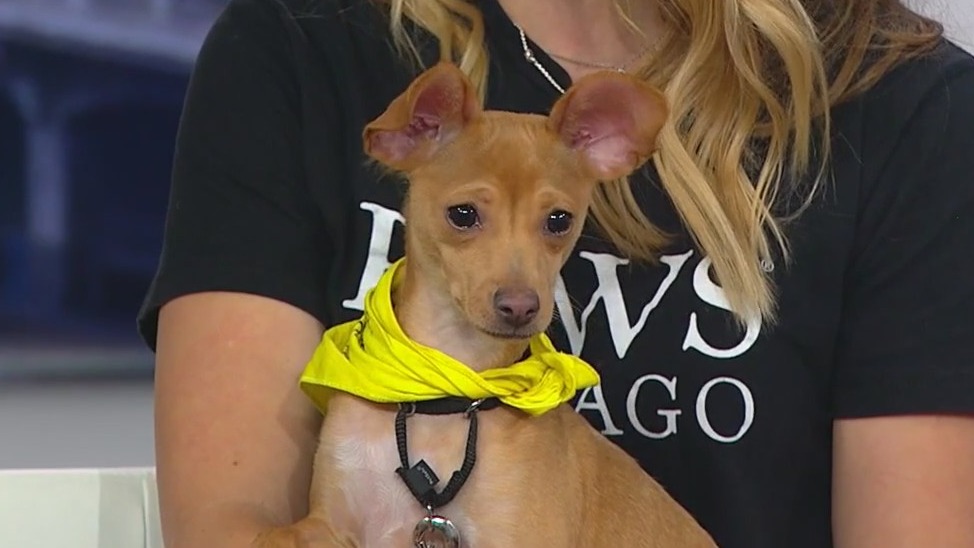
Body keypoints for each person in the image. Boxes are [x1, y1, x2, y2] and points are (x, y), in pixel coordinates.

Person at [137, 0, 974, 546]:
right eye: (465, 217)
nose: (517, 280)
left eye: (554, 226)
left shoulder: (901, 106)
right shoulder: (300, 43)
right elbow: (235, 528)